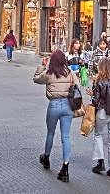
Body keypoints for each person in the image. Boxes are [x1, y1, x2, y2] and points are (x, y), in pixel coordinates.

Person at [34, 50, 78, 183]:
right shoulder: (69, 72)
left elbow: (36, 79)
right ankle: (65, 167)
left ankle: (46, 157)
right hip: (68, 105)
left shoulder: (49, 73)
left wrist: (42, 65)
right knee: (66, 136)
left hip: (54, 105)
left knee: (51, 133)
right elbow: (77, 85)